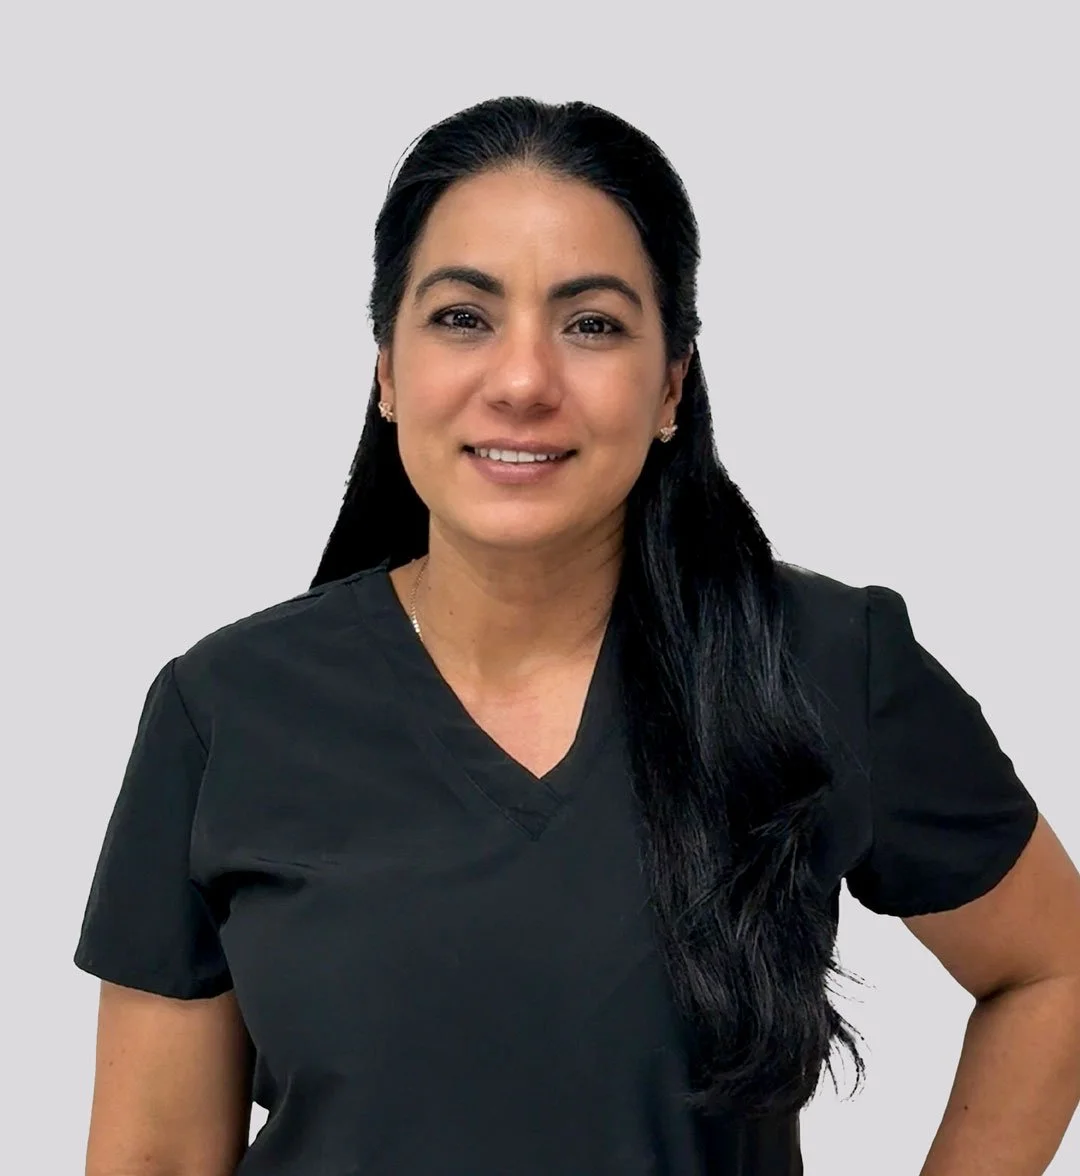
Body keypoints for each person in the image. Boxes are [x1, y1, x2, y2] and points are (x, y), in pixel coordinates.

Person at [73, 97, 1080, 1176]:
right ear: (385, 371)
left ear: (671, 387)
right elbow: (158, 1158)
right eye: (463, 316)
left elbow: (1051, 969)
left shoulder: (828, 662)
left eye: (591, 323)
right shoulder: (223, 709)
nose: (521, 382)